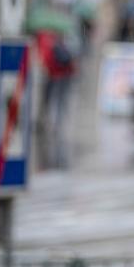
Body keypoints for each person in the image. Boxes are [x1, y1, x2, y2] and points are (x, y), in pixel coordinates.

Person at [36, 28, 77, 169]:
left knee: (53, 101)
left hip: (54, 76)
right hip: (65, 76)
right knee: (61, 102)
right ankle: (58, 123)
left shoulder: (44, 42)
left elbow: (46, 60)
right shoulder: (60, 42)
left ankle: (53, 123)